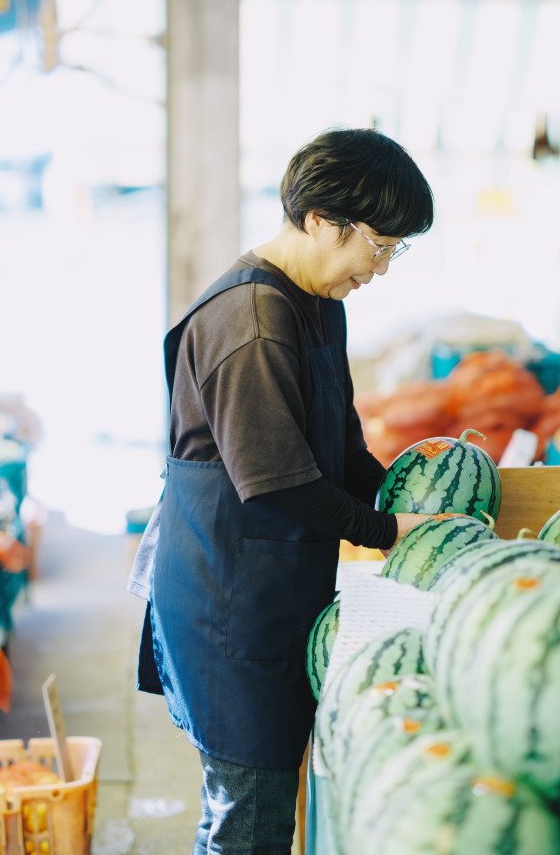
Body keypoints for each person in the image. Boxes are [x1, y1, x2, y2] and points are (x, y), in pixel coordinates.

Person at [135, 128, 436, 855]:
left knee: (252, 805)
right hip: (227, 605)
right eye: (377, 243)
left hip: (267, 590)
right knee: (249, 816)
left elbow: (340, 450)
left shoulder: (317, 303)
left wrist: (415, 502)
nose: (381, 266)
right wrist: (388, 530)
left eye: (396, 248)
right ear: (318, 221)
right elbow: (278, 482)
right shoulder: (254, 321)